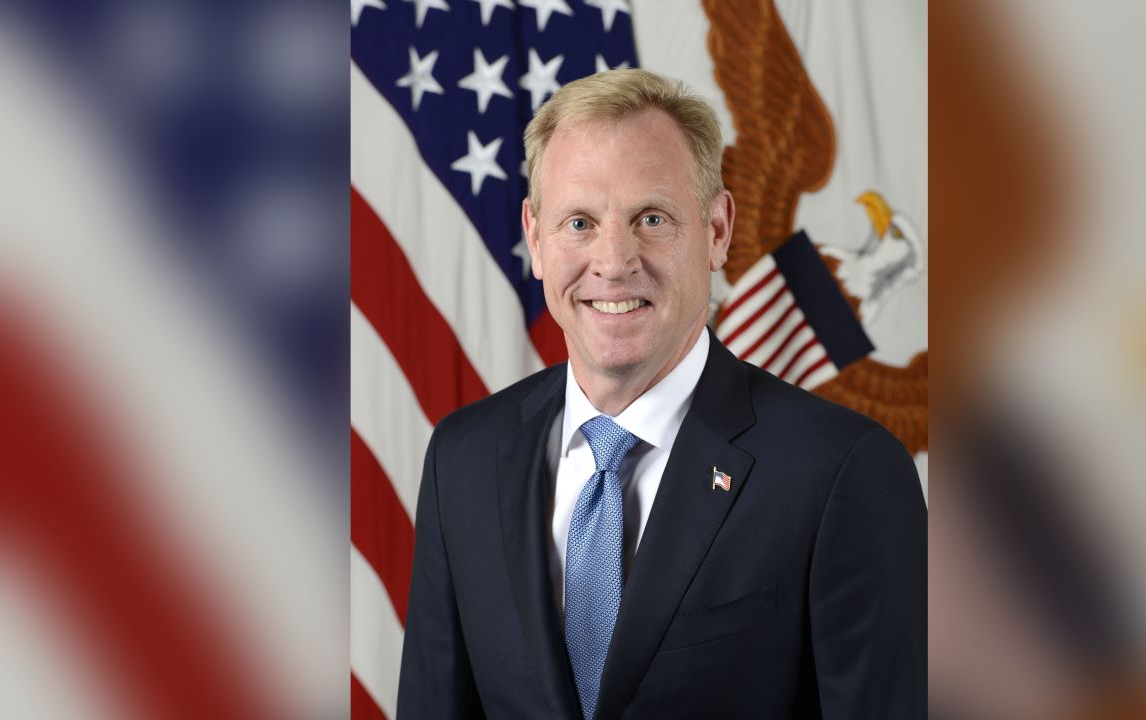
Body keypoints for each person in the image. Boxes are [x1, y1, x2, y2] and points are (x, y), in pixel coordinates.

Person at [397, 69, 926, 720]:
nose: (614, 261)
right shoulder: (463, 460)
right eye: (580, 222)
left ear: (718, 229)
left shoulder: (842, 472)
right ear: (535, 238)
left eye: (651, 218)